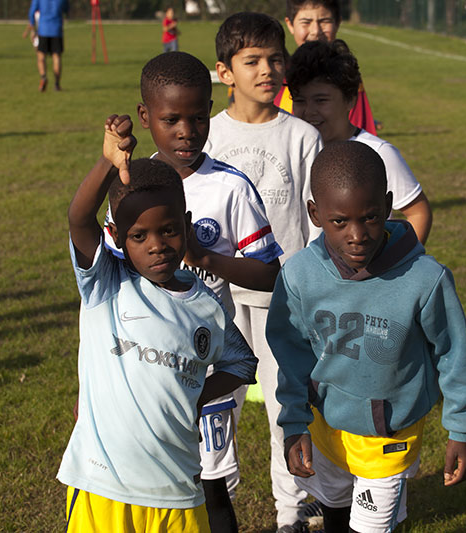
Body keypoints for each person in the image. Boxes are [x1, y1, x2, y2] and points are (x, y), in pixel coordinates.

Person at [103, 51, 283, 533]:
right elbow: (106, 272)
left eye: (198, 117)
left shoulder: (230, 187)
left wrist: (207, 260)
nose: (187, 130)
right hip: (136, 371)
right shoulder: (130, 186)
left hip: (202, 365)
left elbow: (269, 275)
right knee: (145, 483)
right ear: (145, 117)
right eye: (171, 119)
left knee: (209, 483)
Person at [267, 141, 466, 533]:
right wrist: (295, 421)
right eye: (340, 222)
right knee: (334, 509)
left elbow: (454, 355)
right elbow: (292, 354)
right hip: (324, 423)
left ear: (387, 206)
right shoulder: (299, 275)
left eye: (369, 218)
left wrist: (461, 428)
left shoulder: (424, 278)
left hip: (389, 431)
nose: (357, 235)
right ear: (315, 213)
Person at [60, 114, 257, 532]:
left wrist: (195, 395)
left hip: (179, 490)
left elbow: (243, 364)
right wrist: (106, 163)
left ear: (186, 225)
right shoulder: (106, 284)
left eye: (168, 230)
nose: (156, 246)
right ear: (115, 236)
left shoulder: (204, 304)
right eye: (138, 236)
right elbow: (79, 220)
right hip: (103, 485)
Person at [207, 12, 323, 532]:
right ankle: (214, 504)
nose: (267, 70)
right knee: (217, 409)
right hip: (218, 302)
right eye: (251, 60)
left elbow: (316, 221)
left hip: (285, 299)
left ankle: (290, 513)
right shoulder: (206, 135)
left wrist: (316, 285)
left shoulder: (301, 135)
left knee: (286, 410)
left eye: (276, 59)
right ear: (224, 72)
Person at [286, 39, 433, 244]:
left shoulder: (378, 153)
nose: (309, 111)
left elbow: (419, 213)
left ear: (350, 100)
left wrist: (396, 265)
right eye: (300, 100)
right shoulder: (290, 150)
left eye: (321, 100)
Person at [277, 0, 377, 134]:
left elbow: (359, 134)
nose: (316, 31)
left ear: (338, 23)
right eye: (306, 22)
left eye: (324, 21)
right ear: (290, 24)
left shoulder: (345, 76)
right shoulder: (276, 75)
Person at [29, 0, 68, 91]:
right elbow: (66, 9)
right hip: (56, 30)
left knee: (41, 56)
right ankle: (57, 84)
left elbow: (32, 12)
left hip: (43, 29)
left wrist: (32, 29)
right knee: (56, 57)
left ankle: (43, 77)